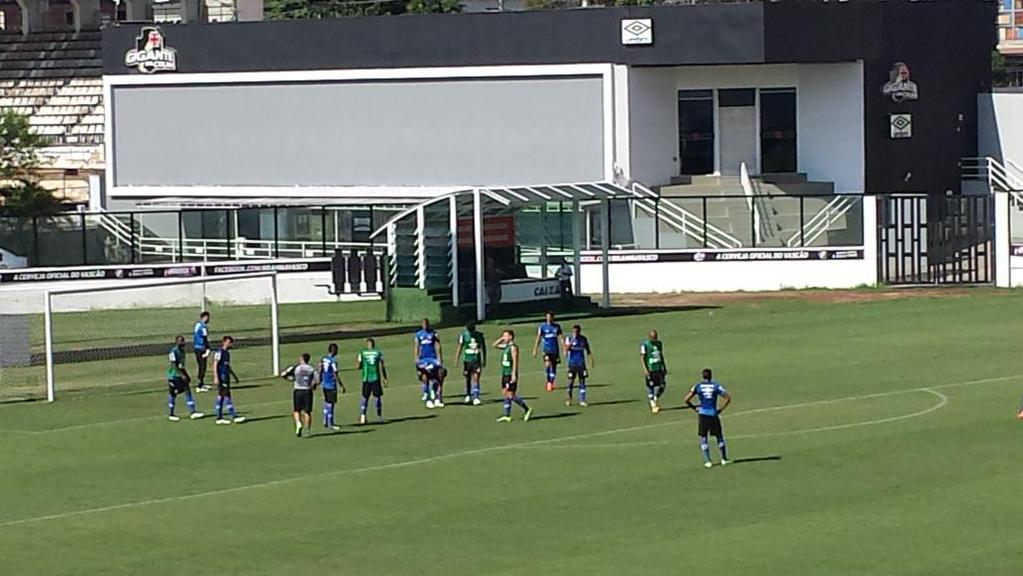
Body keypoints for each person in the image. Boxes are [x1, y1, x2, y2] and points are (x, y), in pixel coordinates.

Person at [683, 368, 732, 468]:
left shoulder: (698, 386)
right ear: (711, 376)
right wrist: (720, 409)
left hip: (703, 414)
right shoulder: (716, 386)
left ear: (703, 376)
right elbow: (727, 398)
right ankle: (723, 459)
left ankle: (708, 461)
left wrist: (694, 408)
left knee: (704, 438)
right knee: (719, 436)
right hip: (713, 414)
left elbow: (686, 399)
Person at [495, 329, 532, 422]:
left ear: (511, 337)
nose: (504, 338)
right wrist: (501, 339)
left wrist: (514, 374)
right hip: (504, 373)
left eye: (506, 336)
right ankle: (507, 415)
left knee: (510, 394)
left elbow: (515, 361)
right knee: (505, 393)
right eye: (503, 336)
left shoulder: (513, 348)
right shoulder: (506, 346)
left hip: (510, 373)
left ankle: (527, 409)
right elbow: (494, 345)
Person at [166, 335, 203, 422]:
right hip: (173, 376)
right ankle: (171, 414)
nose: (183, 342)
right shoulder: (173, 352)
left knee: (186, 390)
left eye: (183, 340)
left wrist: (186, 374)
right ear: (176, 342)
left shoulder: (182, 351)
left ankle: (192, 412)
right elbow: (174, 365)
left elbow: (181, 366)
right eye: (181, 341)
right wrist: (182, 375)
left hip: (179, 375)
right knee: (174, 393)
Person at [281, 353, 317, 438]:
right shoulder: (311, 369)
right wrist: (313, 385)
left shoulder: (296, 367)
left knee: (297, 410)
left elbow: (283, 374)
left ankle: (298, 423)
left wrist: (291, 379)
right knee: (307, 412)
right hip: (308, 391)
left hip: (298, 390)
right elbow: (317, 379)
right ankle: (307, 430)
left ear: (302, 359)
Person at [212, 335, 244, 424]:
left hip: (226, 377)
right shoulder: (219, 352)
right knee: (227, 395)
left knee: (221, 397)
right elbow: (215, 364)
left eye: (231, 343)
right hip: (222, 377)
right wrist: (216, 377)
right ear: (224, 342)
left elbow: (227, 366)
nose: (230, 344)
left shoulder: (227, 353)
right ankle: (234, 416)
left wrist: (234, 376)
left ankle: (219, 417)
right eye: (229, 343)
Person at [357, 338, 388, 424]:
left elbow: (358, 366)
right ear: (373, 344)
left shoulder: (362, 352)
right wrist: (385, 377)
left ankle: (363, 416)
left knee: (365, 397)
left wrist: (362, 365)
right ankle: (379, 416)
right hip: (375, 377)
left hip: (366, 378)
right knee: (377, 397)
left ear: (367, 344)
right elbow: (382, 366)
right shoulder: (378, 352)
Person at [455, 321, 486, 405]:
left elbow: (483, 347)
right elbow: (460, 347)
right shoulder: (463, 335)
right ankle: (468, 395)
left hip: (476, 360)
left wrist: (484, 359)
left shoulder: (479, 335)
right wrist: (457, 359)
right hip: (467, 360)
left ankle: (476, 397)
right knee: (467, 377)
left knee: (476, 377)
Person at [533, 311, 564, 392]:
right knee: (547, 364)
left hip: (555, 350)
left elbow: (561, 338)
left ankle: (551, 381)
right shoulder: (542, 327)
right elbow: (538, 338)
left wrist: (564, 348)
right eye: (547, 317)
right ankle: (549, 382)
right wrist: (535, 349)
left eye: (550, 317)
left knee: (554, 367)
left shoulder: (557, 327)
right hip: (546, 350)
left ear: (553, 318)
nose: (549, 319)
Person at [414, 318, 442, 402]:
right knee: (424, 375)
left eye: (426, 324)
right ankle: (426, 392)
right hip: (423, 358)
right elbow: (417, 346)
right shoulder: (419, 334)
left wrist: (439, 357)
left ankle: (433, 390)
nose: (425, 326)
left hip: (432, 358)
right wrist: (416, 357)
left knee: (434, 375)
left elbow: (437, 345)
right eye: (423, 324)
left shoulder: (433, 333)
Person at [318, 343, 346, 431]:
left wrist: (319, 380)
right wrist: (341, 385)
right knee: (331, 404)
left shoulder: (323, 359)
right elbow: (335, 374)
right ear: (334, 350)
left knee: (326, 402)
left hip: (324, 384)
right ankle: (331, 423)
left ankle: (325, 420)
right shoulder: (333, 361)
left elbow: (320, 370)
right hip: (331, 385)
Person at [564, 324, 593, 407]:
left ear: (579, 331)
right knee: (570, 382)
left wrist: (591, 360)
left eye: (577, 332)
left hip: (581, 364)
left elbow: (588, 350)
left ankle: (582, 400)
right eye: (574, 332)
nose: (575, 333)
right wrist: (571, 342)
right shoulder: (569, 338)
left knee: (582, 381)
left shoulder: (583, 339)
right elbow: (566, 350)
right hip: (572, 364)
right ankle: (569, 398)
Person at [640, 330, 667, 413]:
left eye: (655, 337)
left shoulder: (659, 344)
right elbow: (642, 358)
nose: (655, 339)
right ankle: (652, 403)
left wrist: (664, 366)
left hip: (658, 368)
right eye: (653, 338)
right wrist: (645, 369)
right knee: (650, 386)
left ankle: (656, 397)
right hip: (650, 369)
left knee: (663, 385)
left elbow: (661, 355)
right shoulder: (645, 345)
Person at [193, 311, 212, 392]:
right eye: (208, 317)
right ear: (205, 317)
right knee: (202, 367)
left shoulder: (197, 325)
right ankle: (199, 386)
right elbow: (205, 338)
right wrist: (208, 348)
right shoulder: (203, 327)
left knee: (201, 366)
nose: (209, 319)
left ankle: (201, 383)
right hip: (201, 348)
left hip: (197, 347)